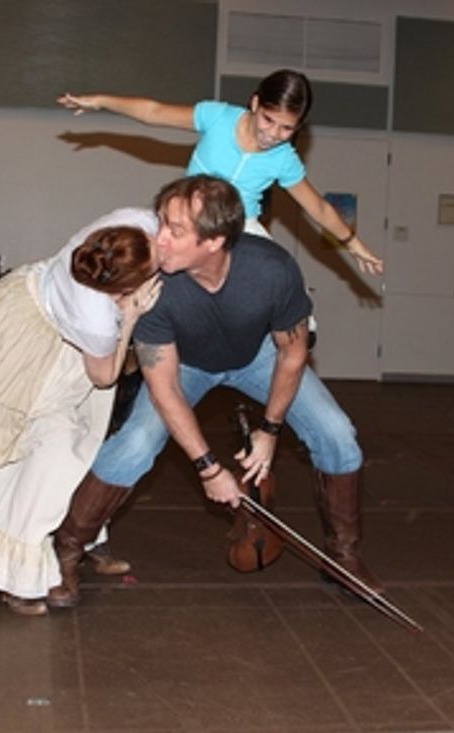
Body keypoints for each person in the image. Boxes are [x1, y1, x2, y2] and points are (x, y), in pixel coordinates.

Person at [45, 174, 382, 609]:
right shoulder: (154, 284)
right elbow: (164, 385)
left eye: (175, 230)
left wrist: (270, 429)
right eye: (161, 221)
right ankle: (68, 550)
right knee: (135, 444)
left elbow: (293, 354)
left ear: (215, 241)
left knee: (337, 434)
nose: (158, 238)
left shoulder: (272, 269)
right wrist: (208, 468)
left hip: (256, 356)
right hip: (186, 363)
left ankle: (343, 557)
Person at [0, 208, 162, 616]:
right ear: (124, 288)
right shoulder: (95, 317)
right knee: (34, 459)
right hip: (32, 349)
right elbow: (106, 376)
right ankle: (17, 577)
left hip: (50, 330)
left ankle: (83, 538)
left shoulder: (133, 222)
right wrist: (129, 319)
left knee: (87, 445)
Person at [58, 68, 385, 277]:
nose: (272, 134)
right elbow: (153, 112)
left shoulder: (284, 159)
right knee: (141, 249)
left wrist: (355, 245)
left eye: (286, 128)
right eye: (269, 120)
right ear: (256, 104)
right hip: (186, 214)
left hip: (241, 226)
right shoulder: (218, 117)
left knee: (278, 271)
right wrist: (100, 101)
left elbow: (320, 208)